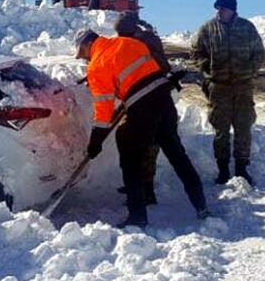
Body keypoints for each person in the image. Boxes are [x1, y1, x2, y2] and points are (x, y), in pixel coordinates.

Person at [76, 28, 208, 228]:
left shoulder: (96, 66)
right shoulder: (129, 43)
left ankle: (137, 216)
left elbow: (103, 108)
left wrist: (96, 140)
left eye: (82, 54)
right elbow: (141, 75)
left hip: (143, 110)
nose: (83, 59)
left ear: (87, 45)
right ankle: (201, 206)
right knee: (177, 154)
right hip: (164, 102)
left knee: (130, 157)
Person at [192, 0, 265, 185]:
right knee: (220, 130)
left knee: (243, 128)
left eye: (223, 8)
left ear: (232, 9)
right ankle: (223, 170)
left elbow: (259, 52)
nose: (219, 11)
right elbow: (196, 51)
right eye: (217, 8)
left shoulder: (247, 27)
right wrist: (206, 67)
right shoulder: (208, 28)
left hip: (243, 87)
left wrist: (250, 69)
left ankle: (241, 170)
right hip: (219, 88)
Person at [114, 12, 170, 205]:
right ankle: (135, 184)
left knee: (148, 146)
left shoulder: (147, 42)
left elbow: (160, 67)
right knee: (129, 140)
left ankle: (146, 190)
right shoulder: (132, 40)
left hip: (153, 100)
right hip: (137, 99)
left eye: (123, 33)